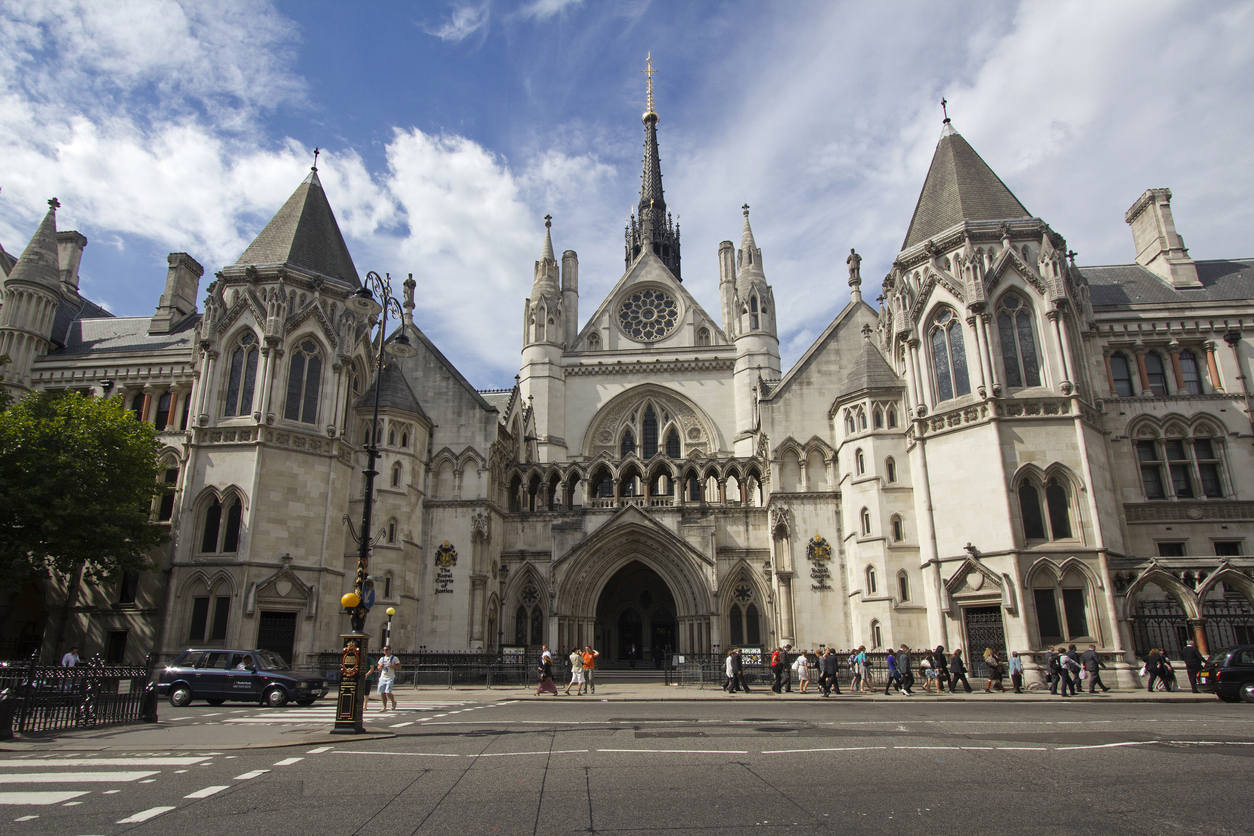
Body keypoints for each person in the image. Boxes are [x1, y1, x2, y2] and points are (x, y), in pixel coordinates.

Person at [375, 644, 401, 710]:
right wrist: (380, 666)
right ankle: (384, 707)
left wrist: (392, 666)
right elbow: (378, 667)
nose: (385, 651)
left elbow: (399, 666)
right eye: (384, 650)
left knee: (388, 692)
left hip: (390, 677)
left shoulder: (394, 658)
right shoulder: (382, 659)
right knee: (382, 692)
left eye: (386, 650)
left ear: (389, 650)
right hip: (383, 677)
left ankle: (393, 702)